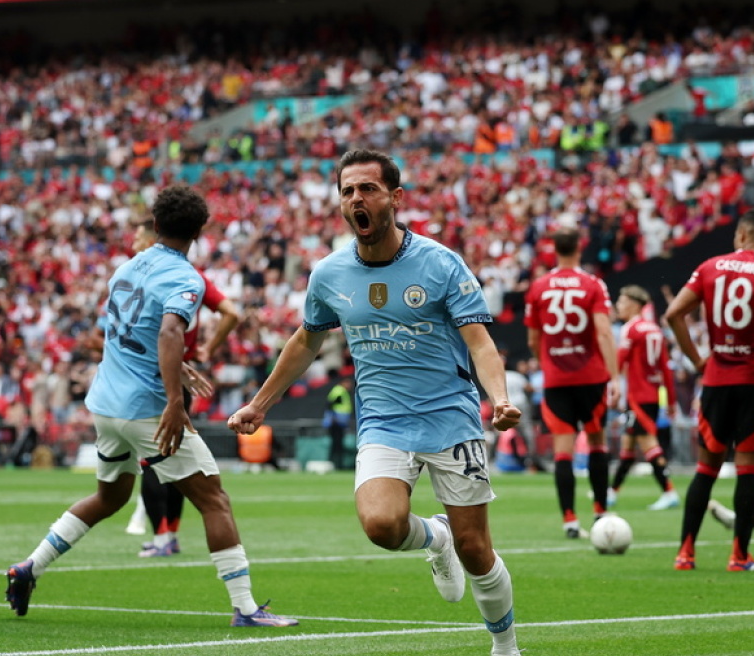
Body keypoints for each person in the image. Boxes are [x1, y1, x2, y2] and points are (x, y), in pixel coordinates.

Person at [229, 149, 523, 656]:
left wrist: (498, 398)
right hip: (384, 422)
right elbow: (305, 340)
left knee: (477, 549)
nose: (356, 199)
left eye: (367, 188)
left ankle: (506, 647)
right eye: (347, 191)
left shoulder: (441, 263)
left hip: (450, 418)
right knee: (381, 525)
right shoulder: (329, 274)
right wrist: (260, 404)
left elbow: (479, 342)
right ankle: (435, 539)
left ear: (395, 197)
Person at [5, 186, 297, 628]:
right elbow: (167, 333)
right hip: (146, 408)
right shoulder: (187, 279)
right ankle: (245, 608)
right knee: (215, 500)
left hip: (105, 404)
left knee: (110, 497)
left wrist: (177, 370)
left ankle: (28, 568)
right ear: (200, 232)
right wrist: (176, 402)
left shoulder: (124, 270)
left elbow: (132, 337)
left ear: (155, 225)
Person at [664, 207, 754, 572]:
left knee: (706, 468)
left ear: (741, 235)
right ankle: (739, 556)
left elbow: (673, 314)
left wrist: (697, 359)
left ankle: (685, 553)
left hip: (716, 380)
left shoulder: (711, 267)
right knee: (748, 469)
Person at [120, 219, 241, 558]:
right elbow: (231, 313)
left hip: (157, 378)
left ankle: (162, 538)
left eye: (139, 236)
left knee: (154, 460)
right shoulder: (194, 276)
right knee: (175, 460)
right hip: (181, 378)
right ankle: (168, 535)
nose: (134, 242)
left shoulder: (150, 276)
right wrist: (206, 349)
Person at [524, 227, 619, 539]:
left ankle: (569, 519)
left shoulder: (539, 287)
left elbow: (534, 338)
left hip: (556, 379)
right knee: (596, 443)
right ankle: (601, 513)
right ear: (579, 248)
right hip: (591, 377)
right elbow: (604, 331)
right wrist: (614, 375)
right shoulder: (593, 284)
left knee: (563, 451)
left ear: (554, 250)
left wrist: (547, 360)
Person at [608, 285, 679, 511]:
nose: (619, 306)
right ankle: (612, 492)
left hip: (638, 396)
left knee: (649, 443)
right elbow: (665, 369)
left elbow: (620, 359)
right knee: (628, 446)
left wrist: (611, 384)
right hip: (652, 395)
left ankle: (669, 491)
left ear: (635, 305)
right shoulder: (655, 329)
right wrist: (671, 401)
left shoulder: (631, 329)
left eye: (622, 301)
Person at [323, 375, 354, 470]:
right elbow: (330, 404)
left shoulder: (342, 392)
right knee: (336, 444)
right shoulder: (339, 391)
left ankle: (337, 464)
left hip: (340, 422)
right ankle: (336, 464)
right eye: (348, 383)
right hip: (336, 422)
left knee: (338, 443)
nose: (350, 385)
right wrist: (333, 418)